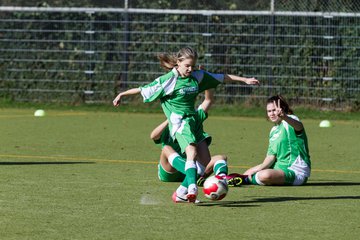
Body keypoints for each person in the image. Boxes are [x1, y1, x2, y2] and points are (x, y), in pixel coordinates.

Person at [113, 46, 259, 202]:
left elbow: (222, 77)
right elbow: (143, 89)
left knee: (205, 160)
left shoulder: (197, 76)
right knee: (191, 152)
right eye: (187, 65)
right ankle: (192, 187)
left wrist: (245, 80)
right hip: (180, 121)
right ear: (178, 62)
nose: (190, 69)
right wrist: (122, 94)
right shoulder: (168, 80)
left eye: (192, 66)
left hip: (194, 119)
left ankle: (181, 193)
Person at [240, 95, 311, 186]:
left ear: (282, 108)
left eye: (274, 110)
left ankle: (248, 180)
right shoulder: (274, 130)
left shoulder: (291, 120)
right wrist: (259, 168)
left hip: (296, 171)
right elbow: (271, 157)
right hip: (278, 167)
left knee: (265, 175)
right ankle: (241, 179)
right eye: (269, 111)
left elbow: (299, 127)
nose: (272, 114)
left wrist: (285, 117)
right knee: (246, 172)